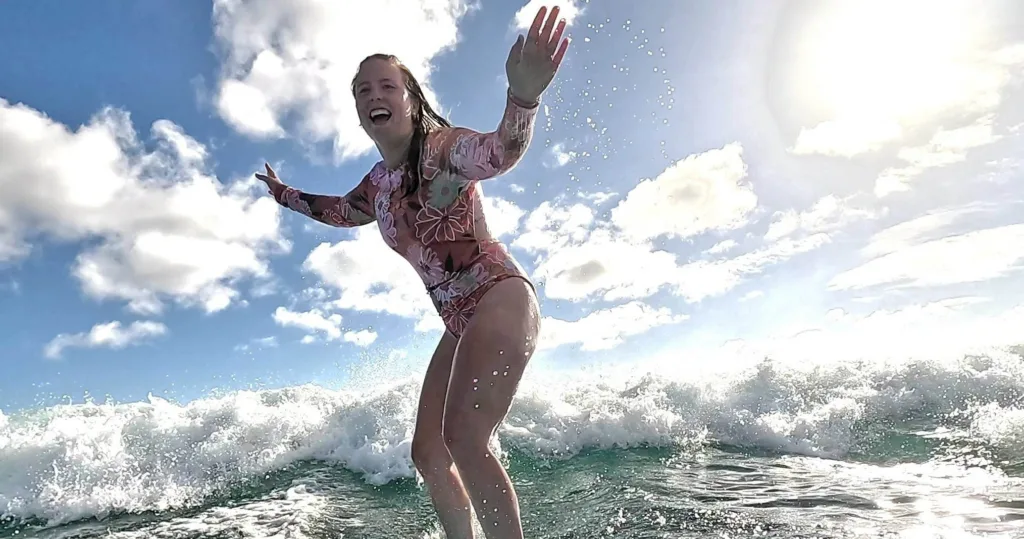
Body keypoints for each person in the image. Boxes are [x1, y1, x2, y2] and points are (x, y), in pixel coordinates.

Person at [255, 6, 570, 539]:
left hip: (499, 294)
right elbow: (338, 211)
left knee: (465, 436)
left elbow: (500, 151)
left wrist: (523, 98)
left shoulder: (443, 148)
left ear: (411, 99)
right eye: (362, 90)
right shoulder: (377, 186)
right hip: (457, 321)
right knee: (428, 451)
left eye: (387, 86)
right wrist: (283, 194)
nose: (373, 95)